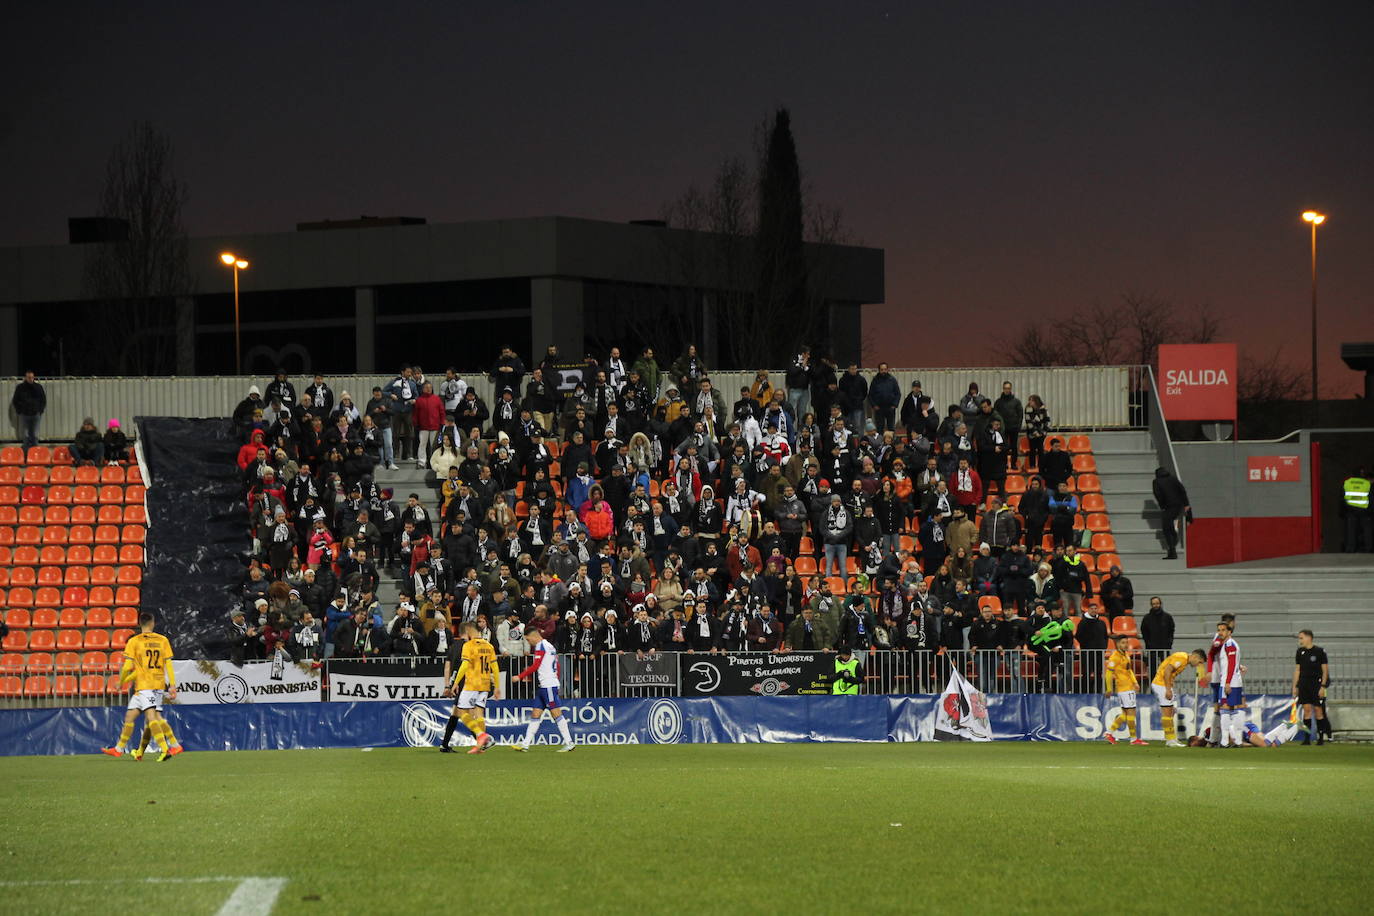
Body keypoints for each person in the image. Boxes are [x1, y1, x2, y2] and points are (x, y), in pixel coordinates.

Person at [101, 613, 184, 761]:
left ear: (139, 623)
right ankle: (121, 749)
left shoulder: (134, 641)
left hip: (147, 686)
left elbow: (127, 667)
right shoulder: (162, 640)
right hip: (152, 685)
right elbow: (168, 665)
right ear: (152, 623)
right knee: (131, 716)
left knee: (152, 718)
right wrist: (172, 685)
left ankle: (168, 748)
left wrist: (121, 680)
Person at [439, 622, 501, 754]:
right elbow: (495, 667)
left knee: (461, 712)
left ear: (468, 631)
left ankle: (481, 736)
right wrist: (497, 686)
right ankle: (480, 745)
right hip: (485, 684)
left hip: (471, 684)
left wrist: (454, 683)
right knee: (479, 714)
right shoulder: (489, 645)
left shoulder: (467, 645)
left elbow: (463, 665)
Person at [512, 623, 575, 751]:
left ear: (533, 636)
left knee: (556, 713)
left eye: (528, 639)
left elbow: (536, 665)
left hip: (548, 685)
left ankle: (569, 742)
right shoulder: (549, 646)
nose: (528, 642)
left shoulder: (540, 646)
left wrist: (520, 676)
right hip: (545, 685)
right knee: (536, 714)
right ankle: (525, 744)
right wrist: (556, 680)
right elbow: (557, 665)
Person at [1151, 649, 1207, 747]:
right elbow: (1167, 671)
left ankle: (1171, 738)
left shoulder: (1184, 659)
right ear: (1195, 657)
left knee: (1171, 711)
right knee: (1167, 712)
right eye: (1199, 662)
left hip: (1163, 685)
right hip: (1161, 685)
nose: (1198, 665)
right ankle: (1170, 740)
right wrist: (1168, 689)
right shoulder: (1182, 657)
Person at [1102, 634, 1147, 746]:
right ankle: (1133, 739)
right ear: (1117, 644)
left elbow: (1129, 670)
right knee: (1131, 713)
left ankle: (1109, 733)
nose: (1126, 645)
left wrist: (1135, 682)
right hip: (1124, 688)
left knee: (1125, 714)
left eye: (1126, 642)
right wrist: (1109, 688)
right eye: (1123, 643)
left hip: (1129, 687)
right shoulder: (1114, 657)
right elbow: (1108, 674)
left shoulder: (1126, 655)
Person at [1293, 630, 1331, 745]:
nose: (1300, 640)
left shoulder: (1319, 651)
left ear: (1309, 638)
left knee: (1318, 710)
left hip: (1316, 684)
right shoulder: (1300, 652)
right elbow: (1298, 670)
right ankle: (1307, 738)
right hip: (1304, 684)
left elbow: (1325, 670)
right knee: (1307, 710)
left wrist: (1323, 686)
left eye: (1301, 638)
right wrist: (1295, 686)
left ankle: (1320, 738)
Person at [1212, 620, 1244, 748]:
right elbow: (1232, 662)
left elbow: (1231, 664)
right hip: (1232, 680)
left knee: (1225, 709)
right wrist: (1240, 666)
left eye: (1223, 630)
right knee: (1231, 709)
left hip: (1229, 681)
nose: (1220, 632)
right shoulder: (1228, 644)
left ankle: (1225, 741)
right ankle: (1236, 740)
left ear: (1229, 632)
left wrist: (1227, 682)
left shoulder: (1229, 644)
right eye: (1219, 630)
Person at [1151, 467, 1192, 560]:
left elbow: (1158, 495)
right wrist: (1186, 504)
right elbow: (1182, 490)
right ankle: (1173, 540)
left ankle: (1172, 550)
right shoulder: (1173, 479)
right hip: (1178, 506)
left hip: (1168, 506)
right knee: (1169, 525)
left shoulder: (1156, 481)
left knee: (1166, 528)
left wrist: (1162, 506)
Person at [1138, 596, 1174, 674]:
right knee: (1152, 669)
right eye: (1154, 604)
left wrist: (1169, 643)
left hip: (1165, 647)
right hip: (1151, 648)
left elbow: (1171, 631)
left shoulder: (1168, 617)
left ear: (1160, 604)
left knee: (1166, 668)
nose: (1156, 605)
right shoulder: (1146, 618)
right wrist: (1148, 643)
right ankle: (1153, 682)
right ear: (1151, 605)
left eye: (1157, 603)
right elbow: (1144, 632)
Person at [11, 370, 46, 449]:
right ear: (25, 378)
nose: (30, 379)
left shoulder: (38, 387)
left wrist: (40, 410)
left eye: (32, 377)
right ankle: (26, 451)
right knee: (26, 434)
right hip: (24, 414)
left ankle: (35, 450)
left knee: (35, 434)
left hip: (36, 413)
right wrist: (19, 411)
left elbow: (43, 400)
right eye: (29, 377)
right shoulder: (20, 387)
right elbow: (15, 400)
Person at [1342, 466, 1372, 553]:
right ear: (1362, 474)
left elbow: (1342, 497)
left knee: (1350, 530)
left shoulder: (1347, 482)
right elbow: (1371, 498)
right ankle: (1368, 548)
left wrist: (1344, 509)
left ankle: (1350, 548)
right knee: (1367, 530)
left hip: (1350, 509)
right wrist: (1370, 510)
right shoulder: (1367, 483)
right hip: (1364, 510)